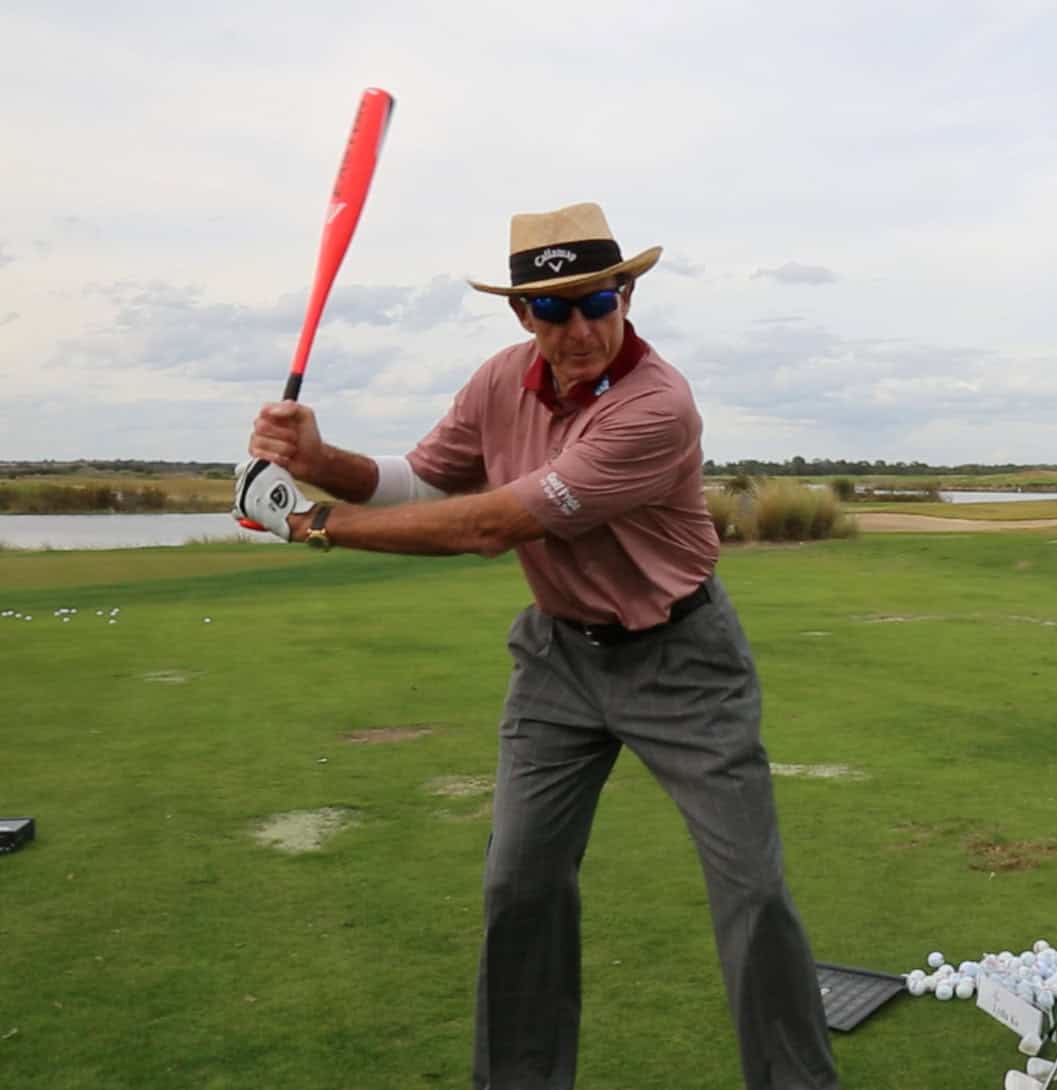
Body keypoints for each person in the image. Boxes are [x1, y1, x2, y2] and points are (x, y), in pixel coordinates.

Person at [234, 202, 840, 1090]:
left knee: (751, 891)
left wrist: (313, 522)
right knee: (518, 884)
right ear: (522, 314)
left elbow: (490, 525)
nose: (580, 327)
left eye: (597, 301)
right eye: (552, 309)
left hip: (683, 661)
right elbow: (422, 478)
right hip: (560, 659)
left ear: (627, 294)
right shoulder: (497, 381)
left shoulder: (655, 406)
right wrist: (319, 459)